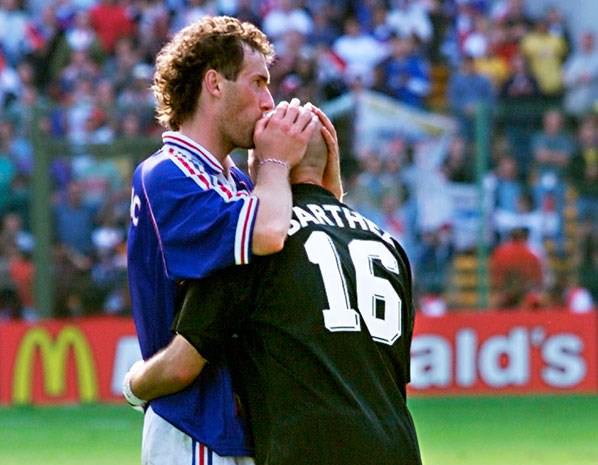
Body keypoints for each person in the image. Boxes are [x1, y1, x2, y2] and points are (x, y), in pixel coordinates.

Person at [124, 125, 422, 465]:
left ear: (265, 163)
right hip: (398, 447)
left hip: (307, 450)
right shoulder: (388, 245)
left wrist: (133, 386)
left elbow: (182, 365)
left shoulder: (253, 244)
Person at [126, 15, 341, 465]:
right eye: (258, 82)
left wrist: (326, 181)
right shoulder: (168, 173)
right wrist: (276, 164)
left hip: (241, 429)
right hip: (196, 426)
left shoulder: (237, 182)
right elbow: (267, 234)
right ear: (214, 84)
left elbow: (306, 251)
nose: (268, 102)